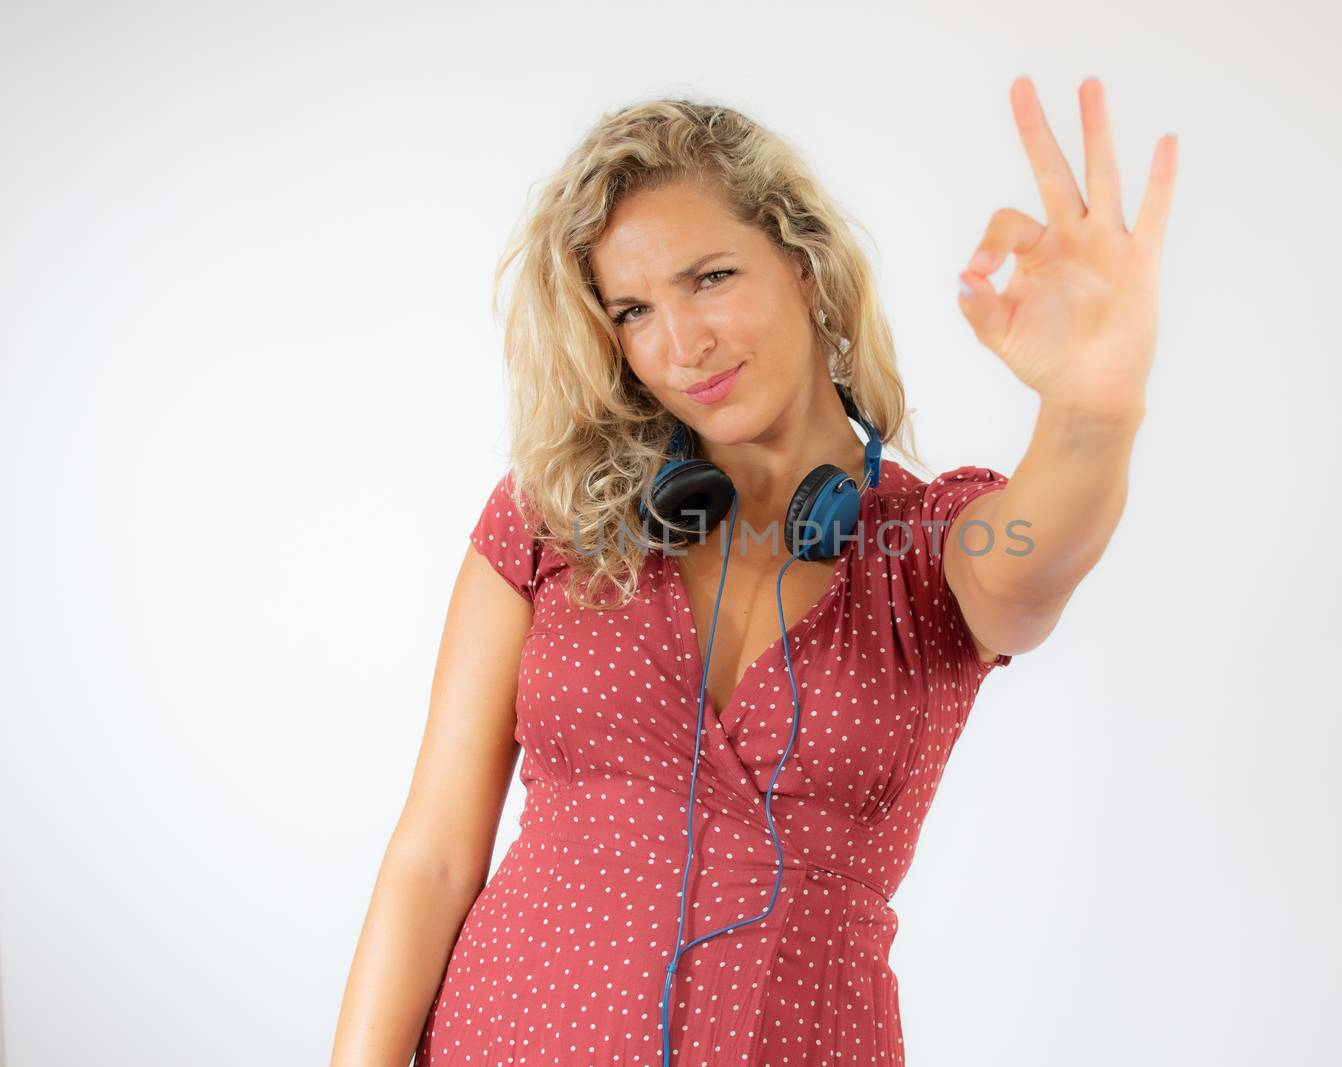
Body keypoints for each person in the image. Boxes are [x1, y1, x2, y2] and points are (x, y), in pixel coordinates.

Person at [332, 75, 1176, 1066]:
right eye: (633, 309)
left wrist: (1091, 410)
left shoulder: (924, 546)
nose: (681, 344)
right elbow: (432, 857)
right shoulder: (554, 519)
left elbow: (1036, 563)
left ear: (805, 265)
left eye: (711, 277)